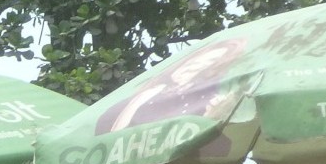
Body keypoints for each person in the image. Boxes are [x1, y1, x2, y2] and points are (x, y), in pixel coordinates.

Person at [94, 37, 251, 135]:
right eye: (198, 59)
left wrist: (213, 114)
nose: (196, 65)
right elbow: (112, 133)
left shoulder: (205, 102)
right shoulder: (149, 92)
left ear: (213, 70)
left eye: (209, 63)